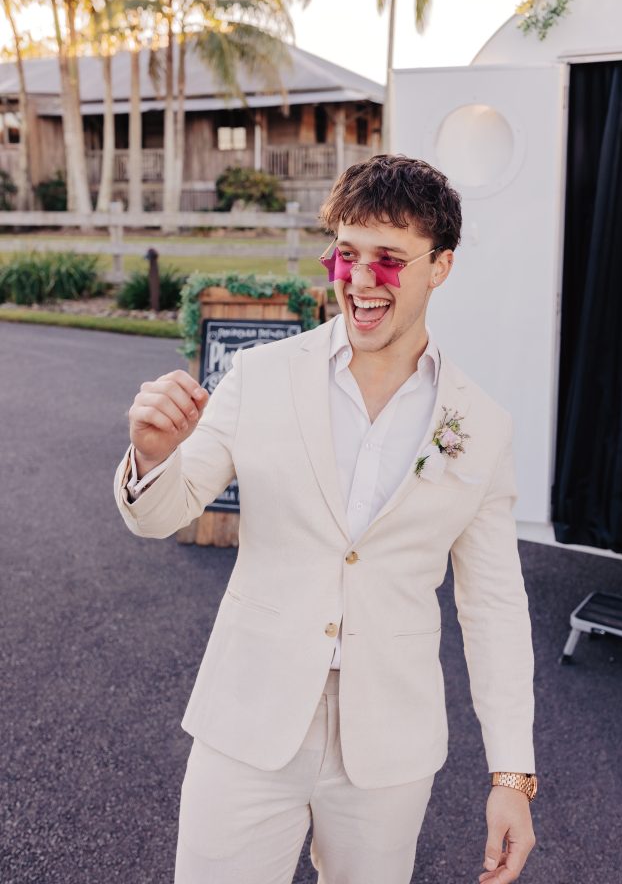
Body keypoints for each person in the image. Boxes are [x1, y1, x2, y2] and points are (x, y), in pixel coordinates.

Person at [113, 154, 537, 884]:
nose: (361, 279)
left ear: (440, 267)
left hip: (389, 747)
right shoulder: (261, 375)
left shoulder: (482, 425)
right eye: (346, 255)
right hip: (248, 719)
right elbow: (164, 513)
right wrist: (152, 456)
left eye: (388, 259)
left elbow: (493, 605)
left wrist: (511, 778)